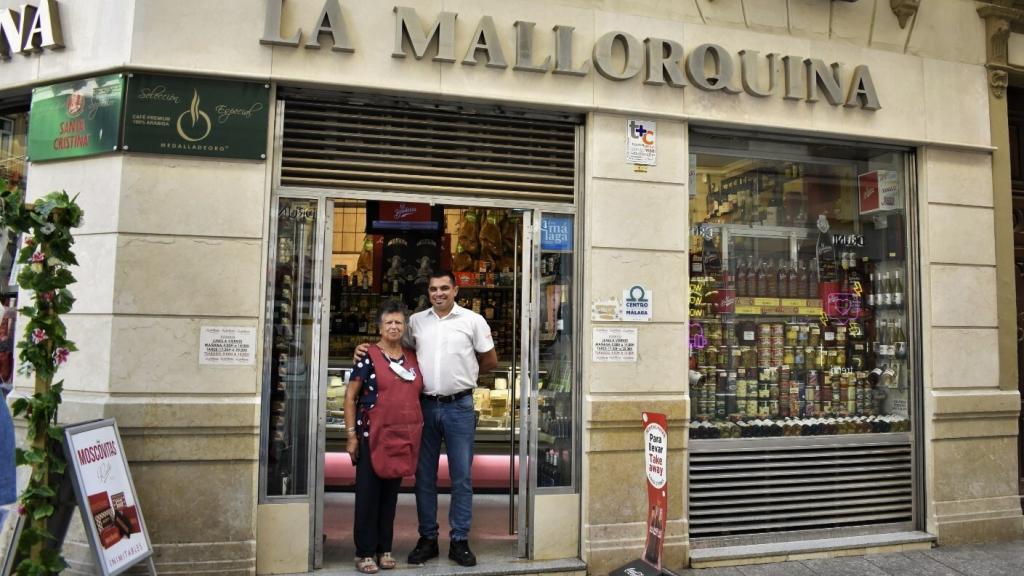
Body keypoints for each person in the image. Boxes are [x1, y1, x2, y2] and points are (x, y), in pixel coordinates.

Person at [355, 270, 497, 567]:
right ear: (428, 292)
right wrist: (364, 348)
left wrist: (463, 377)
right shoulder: (417, 321)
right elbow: (392, 346)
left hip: (459, 406)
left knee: (462, 478)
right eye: (433, 289)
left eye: (445, 288)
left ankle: (459, 540)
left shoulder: (473, 321)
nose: (439, 293)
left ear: (456, 290)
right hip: (424, 408)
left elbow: (490, 360)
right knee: (424, 478)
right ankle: (428, 538)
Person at [345, 301, 424, 574]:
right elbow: (350, 396)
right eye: (388, 322)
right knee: (368, 495)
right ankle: (364, 551)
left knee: (390, 497)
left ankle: (384, 548)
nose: (394, 326)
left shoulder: (412, 356)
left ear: (404, 327)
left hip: (401, 436)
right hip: (371, 435)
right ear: (380, 326)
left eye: (398, 322)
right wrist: (351, 436)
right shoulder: (368, 355)